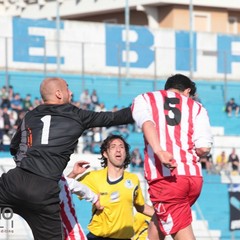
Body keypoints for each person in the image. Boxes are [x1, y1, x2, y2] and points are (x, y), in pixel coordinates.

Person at [0, 77, 134, 240]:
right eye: (67, 89)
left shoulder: (30, 115)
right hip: (43, 190)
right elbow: (114, 118)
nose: (71, 93)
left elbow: (15, 147)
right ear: (58, 94)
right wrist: (146, 108)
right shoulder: (75, 114)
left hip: (13, 183)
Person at [131, 74, 213, 240]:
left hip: (167, 179)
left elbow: (147, 123)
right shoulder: (197, 107)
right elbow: (204, 148)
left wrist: (160, 151)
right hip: (194, 178)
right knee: (160, 218)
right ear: (187, 91)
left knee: (181, 231)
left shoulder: (145, 98)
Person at [67, 134, 155, 240]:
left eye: (121, 147)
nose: (118, 150)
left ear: (125, 153)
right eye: (113, 147)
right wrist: (73, 174)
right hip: (98, 237)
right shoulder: (94, 177)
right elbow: (63, 188)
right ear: (105, 154)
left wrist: (164, 215)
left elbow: (140, 206)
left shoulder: (133, 179)